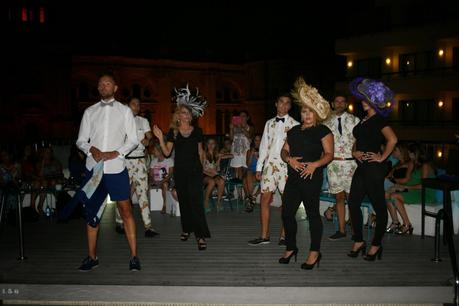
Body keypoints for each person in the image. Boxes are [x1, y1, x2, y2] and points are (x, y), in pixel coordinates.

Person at [75, 73, 140, 271]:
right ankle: (92, 257)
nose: (104, 86)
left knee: (126, 210)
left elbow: (133, 140)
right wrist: (90, 149)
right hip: (93, 170)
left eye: (108, 83)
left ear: (115, 87)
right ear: (98, 88)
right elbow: (80, 141)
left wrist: (116, 152)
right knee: (91, 212)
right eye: (101, 84)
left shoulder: (125, 111)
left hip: (116, 168)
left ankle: (134, 257)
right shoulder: (89, 112)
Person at [278, 78, 333, 269]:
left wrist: (314, 165)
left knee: (312, 216)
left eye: (310, 111)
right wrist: (288, 159)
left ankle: (314, 252)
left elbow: (329, 154)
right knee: (286, 214)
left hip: (311, 178)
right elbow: (284, 151)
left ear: (316, 113)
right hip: (293, 178)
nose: (307, 114)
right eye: (304, 111)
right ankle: (291, 247)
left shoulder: (323, 131)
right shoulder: (293, 131)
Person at [153, 84, 210, 250]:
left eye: (186, 112)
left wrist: (203, 165)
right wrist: (161, 138)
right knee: (184, 201)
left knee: (196, 203)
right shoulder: (174, 132)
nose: (184, 115)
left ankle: (200, 235)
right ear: (178, 117)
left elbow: (200, 152)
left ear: (190, 116)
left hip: (195, 171)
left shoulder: (198, 131)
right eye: (181, 112)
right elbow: (167, 152)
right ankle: (187, 229)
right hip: (180, 171)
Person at [347, 77, 397, 261]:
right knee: (353, 203)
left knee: (379, 206)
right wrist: (355, 152)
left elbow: (393, 140)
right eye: (362, 98)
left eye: (365, 98)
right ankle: (359, 240)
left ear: (374, 102)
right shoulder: (364, 120)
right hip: (362, 166)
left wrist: (382, 157)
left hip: (374, 168)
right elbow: (357, 140)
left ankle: (376, 243)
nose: (362, 101)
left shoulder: (379, 120)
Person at [248, 93, 299, 246]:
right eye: (281, 102)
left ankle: (284, 236)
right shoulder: (269, 123)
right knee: (264, 199)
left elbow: (297, 149)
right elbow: (263, 145)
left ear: (290, 106)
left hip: (286, 167)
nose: (284, 105)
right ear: (276, 104)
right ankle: (264, 236)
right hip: (269, 166)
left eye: (287, 103)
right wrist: (259, 166)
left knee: (287, 202)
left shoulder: (295, 125)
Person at [114, 97, 159, 237]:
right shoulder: (120, 121)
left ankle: (148, 226)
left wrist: (148, 140)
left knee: (142, 193)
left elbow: (150, 137)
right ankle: (120, 221)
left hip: (139, 160)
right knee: (123, 193)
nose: (137, 106)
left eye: (139, 104)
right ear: (127, 106)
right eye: (134, 104)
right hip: (124, 161)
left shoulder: (143, 121)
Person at [323, 95, 360, 240]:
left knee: (353, 199)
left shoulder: (355, 120)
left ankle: (357, 231)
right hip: (333, 164)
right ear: (332, 103)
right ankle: (341, 230)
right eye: (336, 101)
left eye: (342, 101)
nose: (339, 104)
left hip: (351, 163)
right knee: (338, 197)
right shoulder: (326, 122)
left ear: (346, 104)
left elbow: (360, 138)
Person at [387, 143, 436, 235]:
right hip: (413, 190)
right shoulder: (413, 164)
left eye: (410, 153)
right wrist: (398, 186)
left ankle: (407, 224)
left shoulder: (425, 166)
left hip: (424, 193)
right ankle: (395, 223)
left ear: (415, 154)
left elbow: (423, 185)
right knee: (388, 195)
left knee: (394, 196)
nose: (409, 155)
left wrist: (405, 187)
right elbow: (408, 181)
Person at [384, 143, 413, 233]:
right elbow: (389, 176)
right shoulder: (396, 164)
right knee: (384, 190)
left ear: (401, 151)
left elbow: (407, 180)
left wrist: (394, 181)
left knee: (383, 184)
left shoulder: (410, 163)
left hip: (403, 186)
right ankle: (395, 222)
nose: (393, 153)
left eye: (395, 151)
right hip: (394, 185)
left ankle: (397, 223)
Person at [149, 143, 174, 214]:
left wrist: (162, 181)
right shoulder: (153, 161)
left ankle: (165, 205)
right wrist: (153, 180)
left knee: (165, 184)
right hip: (156, 181)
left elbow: (170, 175)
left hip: (167, 181)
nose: (153, 152)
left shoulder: (169, 160)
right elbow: (151, 174)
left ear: (160, 151)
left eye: (155, 150)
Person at [202, 138, 225, 213]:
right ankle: (206, 201)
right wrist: (212, 174)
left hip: (213, 174)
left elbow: (217, 169)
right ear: (206, 145)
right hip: (204, 174)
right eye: (209, 143)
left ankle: (218, 202)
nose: (211, 145)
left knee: (221, 181)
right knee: (212, 182)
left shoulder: (216, 154)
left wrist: (219, 159)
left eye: (213, 143)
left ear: (215, 145)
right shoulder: (203, 154)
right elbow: (201, 169)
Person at [229, 111, 253, 180]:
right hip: (236, 150)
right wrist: (231, 128)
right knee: (236, 171)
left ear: (247, 118)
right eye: (240, 116)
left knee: (244, 171)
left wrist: (241, 128)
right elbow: (231, 138)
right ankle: (237, 190)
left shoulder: (250, 127)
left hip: (245, 151)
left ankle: (244, 189)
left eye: (243, 116)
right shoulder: (235, 126)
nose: (241, 118)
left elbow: (250, 135)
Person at [243, 134, 261, 212]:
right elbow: (248, 165)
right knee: (247, 175)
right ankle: (252, 198)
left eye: (259, 140)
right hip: (251, 171)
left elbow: (263, 165)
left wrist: (257, 157)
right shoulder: (249, 151)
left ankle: (250, 197)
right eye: (256, 140)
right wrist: (251, 154)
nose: (257, 142)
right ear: (253, 142)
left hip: (260, 171)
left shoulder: (264, 151)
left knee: (245, 180)